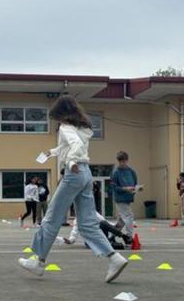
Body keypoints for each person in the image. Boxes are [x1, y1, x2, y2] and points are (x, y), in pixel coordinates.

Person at [18, 94, 128, 283]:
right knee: (87, 223)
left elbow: (74, 146)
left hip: (74, 173)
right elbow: (69, 145)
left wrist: (70, 161)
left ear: (62, 114)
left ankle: (38, 261)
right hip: (86, 175)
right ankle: (114, 257)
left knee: (51, 218)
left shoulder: (66, 127)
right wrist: (52, 152)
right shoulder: (82, 127)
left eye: (57, 117)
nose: (57, 121)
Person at [59, 211, 132, 250]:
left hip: (100, 235)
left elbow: (106, 223)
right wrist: (68, 241)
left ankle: (123, 236)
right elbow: (73, 237)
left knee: (103, 223)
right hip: (91, 241)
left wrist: (118, 225)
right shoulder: (77, 221)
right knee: (116, 246)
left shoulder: (94, 214)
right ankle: (111, 243)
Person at [110, 151, 140, 239]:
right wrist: (125, 188)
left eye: (124, 161)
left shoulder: (131, 171)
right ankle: (129, 236)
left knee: (122, 220)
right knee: (129, 216)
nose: (122, 163)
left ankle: (112, 235)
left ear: (127, 160)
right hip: (120, 199)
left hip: (128, 198)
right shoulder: (115, 172)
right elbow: (114, 187)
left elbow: (134, 184)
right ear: (118, 161)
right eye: (120, 161)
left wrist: (136, 188)